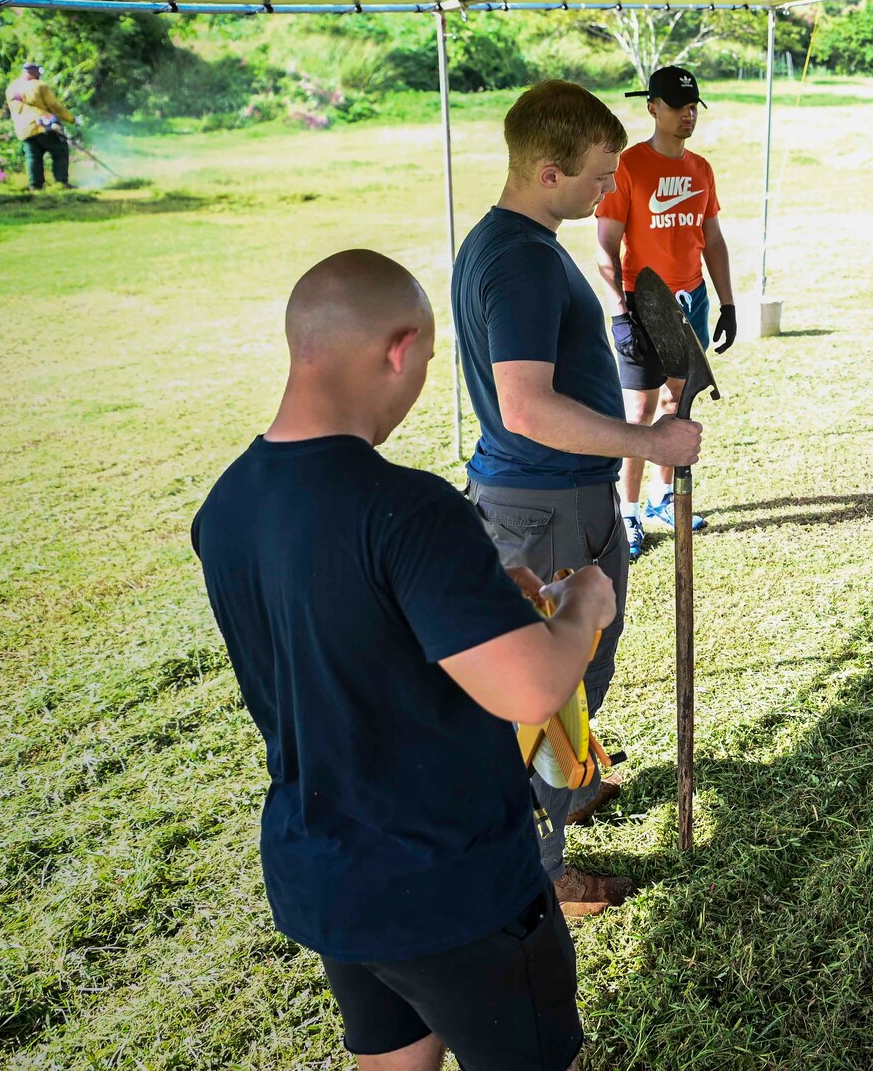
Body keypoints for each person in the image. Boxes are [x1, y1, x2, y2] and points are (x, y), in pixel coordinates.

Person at [194, 249, 613, 1071]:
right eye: (425, 359)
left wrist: (486, 599)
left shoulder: (226, 505)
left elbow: (348, 633)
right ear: (398, 347)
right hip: (450, 884)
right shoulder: (406, 507)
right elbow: (531, 684)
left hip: (330, 872)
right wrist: (584, 608)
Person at [453, 79, 703, 913]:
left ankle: (568, 785)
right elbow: (525, 405)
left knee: (574, 664)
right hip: (542, 503)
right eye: (599, 177)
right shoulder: (520, 258)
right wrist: (650, 444)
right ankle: (541, 867)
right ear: (548, 169)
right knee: (541, 685)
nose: (610, 190)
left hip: (549, 496)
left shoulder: (507, 238)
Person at [595, 66, 735, 558]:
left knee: (679, 404)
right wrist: (618, 313)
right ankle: (627, 513)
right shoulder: (629, 166)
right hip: (643, 302)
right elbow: (606, 248)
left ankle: (660, 499)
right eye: (677, 106)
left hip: (691, 299)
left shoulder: (701, 168)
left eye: (693, 106)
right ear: (653, 106)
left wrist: (728, 301)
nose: (687, 114)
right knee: (639, 413)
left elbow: (712, 240)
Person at [5, 60, 78, 190]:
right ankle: (61, 183)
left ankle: (35, 187)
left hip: (23, 129)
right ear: (35, 72)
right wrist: (72, 119)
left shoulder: (11, 88)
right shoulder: (39, 85)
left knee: (33, 157)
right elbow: (55, 106)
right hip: (42, 125)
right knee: (60, 150)